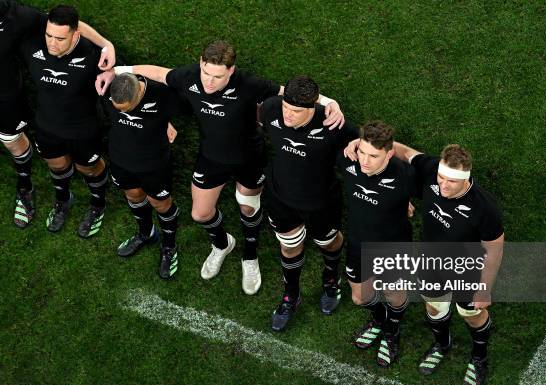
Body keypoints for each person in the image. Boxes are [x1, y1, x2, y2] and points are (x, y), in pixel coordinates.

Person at [109, 40, 344, 294]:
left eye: (217, 76)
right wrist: (118, 70)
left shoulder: (249, 84)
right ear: (200, 63)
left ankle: (250, 257)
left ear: (231, 71)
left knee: (247, 208)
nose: (209, 82)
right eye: (206, 73)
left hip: (248, 158)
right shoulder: (189, 76)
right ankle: (222, 244)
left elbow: (288, 93)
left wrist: (329, 102)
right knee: (200, 213)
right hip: (211, 157)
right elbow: (159, 73)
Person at [378, 142, 504, 385]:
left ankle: (479, 357)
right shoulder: (431, 169)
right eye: (440, 178)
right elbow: (400, 151)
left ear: (465, 179)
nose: (443, 186)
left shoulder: (484, 208)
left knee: (471, 315)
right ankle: (442, 344)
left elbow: (494, 251)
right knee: (435, 308)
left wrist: (484, 288)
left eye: (451, 182)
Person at [1, 0, 114, 228]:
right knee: (57, 166)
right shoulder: (31, 47)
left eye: (60, 38)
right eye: (49, 36)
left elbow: (126, 83)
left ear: (75, 35)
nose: (52, 43)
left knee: (89, 168)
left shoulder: (93, 56)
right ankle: (62, 200)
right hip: (47, 128)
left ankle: (98, 204)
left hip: (83, 131)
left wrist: (106, 47)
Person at [259, 75, 359, 331]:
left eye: (295, 112)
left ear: (313, 108)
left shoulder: (333, 124)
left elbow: (369, 148)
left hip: (321, 202)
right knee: (289, 246)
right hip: (280, 198)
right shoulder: (271, 108)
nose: (287, 116)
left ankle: (330, 278)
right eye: (286, 108)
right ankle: (291, 294)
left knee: (329, 241)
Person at [338, 121, 417, 367]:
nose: (365, 160)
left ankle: (392, 331)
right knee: (360, 297)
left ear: (389, 153)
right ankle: (379, 319)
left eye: (374, 155)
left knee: (394, 295)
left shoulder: (406, 175)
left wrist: (405, 201)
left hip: (393, 246)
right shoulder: (348, 159)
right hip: (358, 243)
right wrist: (354, 144)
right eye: (362, 151)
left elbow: (432, 170)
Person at [104, 73, 180, 279]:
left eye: (128, 108)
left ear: (138, 94)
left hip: (154, 165)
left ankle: (169, 247)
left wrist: (167, 122)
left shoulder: (163, 95)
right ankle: (146, 233)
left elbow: (182, 81)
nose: (125, 113)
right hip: (121, 160)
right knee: (134, 195)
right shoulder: (107, 86)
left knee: (160, 203)